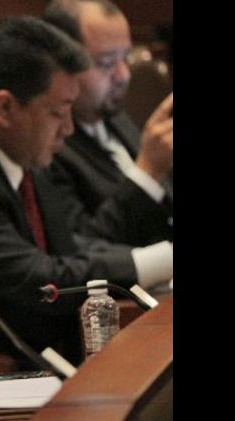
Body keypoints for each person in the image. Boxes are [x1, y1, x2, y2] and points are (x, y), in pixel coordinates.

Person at [0, 16, 172, 366]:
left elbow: (74, 248)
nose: (69, 128)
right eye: (59, 112)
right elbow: (44, 283)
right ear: (5, 108)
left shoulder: (22, 150)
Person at [42, 0, 173, 247]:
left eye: (126, 57)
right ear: (59, 65)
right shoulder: (47, 147)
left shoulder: (111, 115)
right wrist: (147, 173)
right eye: (106, 63)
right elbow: (83, 251)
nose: (124, 75)